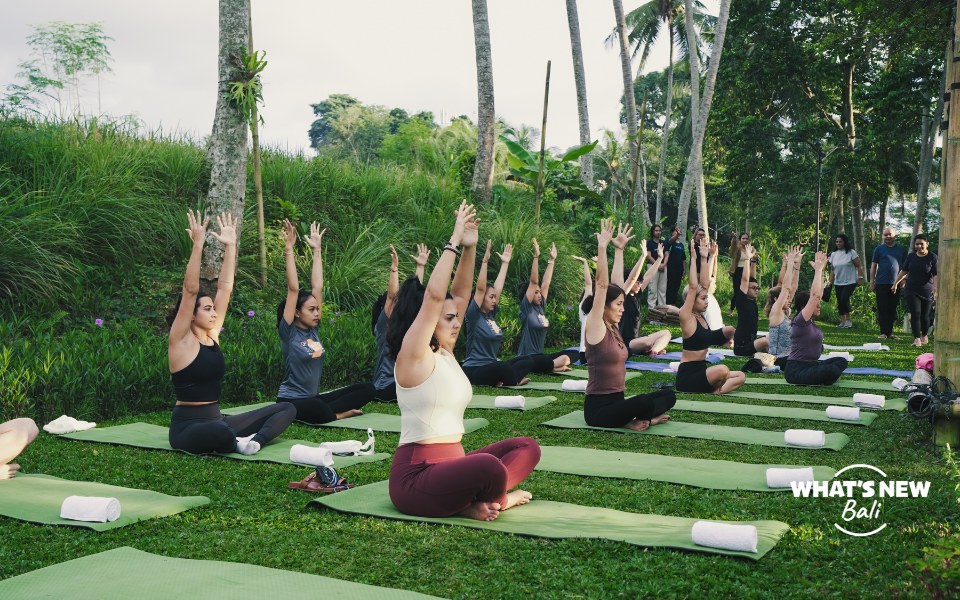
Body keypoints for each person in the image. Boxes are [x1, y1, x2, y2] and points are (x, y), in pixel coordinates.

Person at [387, 201, 540, 522]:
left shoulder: (445, 352)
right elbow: (433, 298)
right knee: (487, 467)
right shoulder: (412, 355)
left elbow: (462, 291)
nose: (457, 323)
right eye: (449, 318)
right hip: (416, 478)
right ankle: (495, 500)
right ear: (424, 321)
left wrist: (470, 247)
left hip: (452, 468)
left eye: (457, 317)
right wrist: (453, 242)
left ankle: (474, 498)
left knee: (527, 447)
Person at [168, 211, 296, 456]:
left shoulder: (212, 335)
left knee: (287, 408)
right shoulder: (181, 341)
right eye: (208, 309)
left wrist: (231, 246)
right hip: (188, 427)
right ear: (191, 315)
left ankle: (255, 442)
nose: (215, 313)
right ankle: (236, 440)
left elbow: (225, 287)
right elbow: (190, 290)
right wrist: (198, 245)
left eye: (214, 309)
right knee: (223, 433)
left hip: (218, 419)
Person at [276, 219, 377, 423]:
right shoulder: (288, 333)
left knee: (368, 388)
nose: (317, 314)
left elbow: (318, 287)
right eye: (311, 310)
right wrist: (289, 249)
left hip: (313, 399)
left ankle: (324, 412)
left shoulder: (313, 330)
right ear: (296, 312)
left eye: (318, 310)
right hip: (290, 401)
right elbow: (293, 289)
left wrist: (317, 250)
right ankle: (336, 415)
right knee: (316, 406)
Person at [583, 218, 676, 429]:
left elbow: (621, 283)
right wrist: (602, 246)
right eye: (618, 305)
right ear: (604, 306)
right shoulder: (596, 326)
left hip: (618, 403)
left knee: (668, 395)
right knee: (643, 401)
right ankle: (636, 420)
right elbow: (604, 285)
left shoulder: (613, 326)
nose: (622, 309)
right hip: (598, 410)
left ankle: (632, 418)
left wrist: (619, 250)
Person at [462, 240, 536, 387]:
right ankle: (513, 380)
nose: (494, 300)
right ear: (480, 299)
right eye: (491, 298)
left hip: (491, 365)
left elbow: (497, 288)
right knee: (502, 367)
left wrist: (505, 263)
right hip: (474, 370)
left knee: (527, 360)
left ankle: (502, 379)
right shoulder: (473, 317)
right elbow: (480, 289)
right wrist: (485, 261)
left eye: (495, 298)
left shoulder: (490, 314)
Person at [677, 240, 745, 394]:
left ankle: (716, 390)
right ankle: (715, 388)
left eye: (706, 298)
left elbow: (704, 284)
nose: (707, 301)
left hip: (702, 371)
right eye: (703, 299)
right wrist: (693, 258)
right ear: (691, 301)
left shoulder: (701, 316)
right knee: (723, 370)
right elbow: (694, 287)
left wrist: (704, 258)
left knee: (740, 376)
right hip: (688, 377)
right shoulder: (686, 317)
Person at [372, 244, 428, 401]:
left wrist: (420, 267)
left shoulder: (408, 324)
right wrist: (394, 269)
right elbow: (391, 298)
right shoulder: (386, 326)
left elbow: (414, 298)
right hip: (385, 386)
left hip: (403, 384)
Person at [784, 252, 849, 385]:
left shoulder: (810, 322)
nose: (819, 305)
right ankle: (823, 377)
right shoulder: (801, 321)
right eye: (815, 305)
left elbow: (817, 295)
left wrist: (820, 272)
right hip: (796, 371)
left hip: (812, 365)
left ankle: (821, 377)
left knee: (841, 361)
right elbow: (814, 297)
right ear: (804, 307)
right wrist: (818, 270)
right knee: (832, 370)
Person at [516, 239, 575, 372]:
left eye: (539, 292)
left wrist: (552, 260)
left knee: (569, 355)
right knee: (547, 360)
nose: (539, 295)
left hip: (540, 356)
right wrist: (536, 257)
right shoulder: (526, 309)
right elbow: (534, 281)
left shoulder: (539, 307)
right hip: (526, 357)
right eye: (535, 292)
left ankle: (551, 366)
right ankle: (552, 367)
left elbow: (546, 283)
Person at [613, 223, 671, 357]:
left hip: (639, 339)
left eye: (640, 282)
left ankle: (654, 350)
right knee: (646, 341)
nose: (639, 283)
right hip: (628, 342)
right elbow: (632, 277)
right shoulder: (623, 296)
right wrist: (643, 257)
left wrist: (660, 258)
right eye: (636, 282)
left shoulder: (636, 293)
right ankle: (651, 347)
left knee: (666, 333)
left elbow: (648, 276)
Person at [893, 234, 938, 347]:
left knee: (925, 316)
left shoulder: (932, 257)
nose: (919, 246)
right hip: (911, 289)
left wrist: (935, 288)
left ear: (927, 244)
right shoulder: (911, 256)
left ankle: (924, 336)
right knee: (916, 313)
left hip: (927, 290)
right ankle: (916, 338)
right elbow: (904, 271)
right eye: (916, 244)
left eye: (921, 244)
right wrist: (895, 283)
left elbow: (935, 274)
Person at [764, 247, 804, 367]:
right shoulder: (776, 312)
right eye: (786, 298)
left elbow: (793, 286)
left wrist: (797, 264)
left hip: (788, 357)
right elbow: (786, 287)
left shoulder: (786, 311)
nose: (790, 300)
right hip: (777, 360)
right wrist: (789, 263)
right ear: (777, 300)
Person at [870, 228, 907, 340]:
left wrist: (904, 280)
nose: (887, 237)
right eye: (885, 235)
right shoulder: (879, 249)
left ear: (895, 236)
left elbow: (905, 268)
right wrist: (872, 281)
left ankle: (890, 333)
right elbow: (873, 266)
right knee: (883, 308)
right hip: (881, 283)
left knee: (892, 308)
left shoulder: (901, 250)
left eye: (889, 234)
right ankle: (883, 333)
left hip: (896, 284)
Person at [733, 244, 769, 356]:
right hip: (741, 347)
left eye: (757, 288)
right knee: (767, 341)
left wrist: (753, 262)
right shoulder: (742, 301)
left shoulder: (752, 301)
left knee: (771, 338)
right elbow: (745, 280)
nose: (756, 290)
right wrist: (747, 258)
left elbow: (751, 279)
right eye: (753, 288)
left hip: (751, 343)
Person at [827, 233, 864, 328]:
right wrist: (830, 282)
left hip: (850, 281)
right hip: (838, 281)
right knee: (840, 301)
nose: (838, 243)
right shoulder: (834, 254)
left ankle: (848, 320)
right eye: (837, 242)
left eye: (840, 242)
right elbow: (832, 269)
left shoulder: (851, 253)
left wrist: (860, 278)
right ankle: (843, 323)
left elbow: (859, 266)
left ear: (845, 242)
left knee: (844, 298)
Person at [727, 231, 751, 316]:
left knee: (748, 292)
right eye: (743, 238)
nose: (745, 240)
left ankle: (747, 310)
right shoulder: (737, 248)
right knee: (737, 291)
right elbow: (732, 248)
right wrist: (734, 238)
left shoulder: (750, 249)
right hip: (738, 272)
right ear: (740, 240)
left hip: (747, 271)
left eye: (746, 238)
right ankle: (732, 310)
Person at [645, 224, 668, 308]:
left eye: (659, 230)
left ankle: (662, 309)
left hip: (663, 266)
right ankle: (651, 309)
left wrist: (664, 264)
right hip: (652, 266)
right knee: (652, 288)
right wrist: (657, 265)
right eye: (656, 231)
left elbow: (666, 255)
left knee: (662, 288)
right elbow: (648, 255)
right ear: (652, 231)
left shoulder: (663, 242)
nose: (658, 232)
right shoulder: (649, 242)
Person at [665, 226, 687, 307]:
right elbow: (670, 242)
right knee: (670, 286)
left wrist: (684, 270)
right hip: (671, 269)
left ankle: (674, 303)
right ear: (671, 232)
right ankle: (668, 303)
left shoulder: (681, 245)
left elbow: (683, 259)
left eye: (679, 231)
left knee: (676, 287)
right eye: (675, 231)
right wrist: (676, 235)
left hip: (679, 270)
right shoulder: (668, 241)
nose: (678, 232)